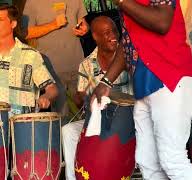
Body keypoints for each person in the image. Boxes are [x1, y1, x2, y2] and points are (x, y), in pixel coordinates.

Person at [91, 0, 192, 179]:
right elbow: (127, 44)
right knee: (147, 161)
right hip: (145, 85)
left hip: (169, 77)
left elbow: (162, 21)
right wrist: (106, 82)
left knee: (172, 159)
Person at [61, 16, 131, 180]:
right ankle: (75, 177)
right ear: (95, 37)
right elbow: (81, 104)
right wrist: (81, 98)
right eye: (106, 33)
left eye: (114, 30)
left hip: (129, 118)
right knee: (68, 130)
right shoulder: (86, 65)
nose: (113, 35)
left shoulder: (128, 56)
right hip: (98, 122)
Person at [22, 0, 89, 114]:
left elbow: (83, 22)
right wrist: (54, 25)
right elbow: (26, 32)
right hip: (53, 69)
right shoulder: (32, 2)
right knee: (62, 115)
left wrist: (85, 28)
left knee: (87, 110)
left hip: (78, 65)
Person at [0, 3, 58, 116]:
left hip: (22, 126)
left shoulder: (31, 55)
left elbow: (52, 88)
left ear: (13, 24)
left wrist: (45, 97)